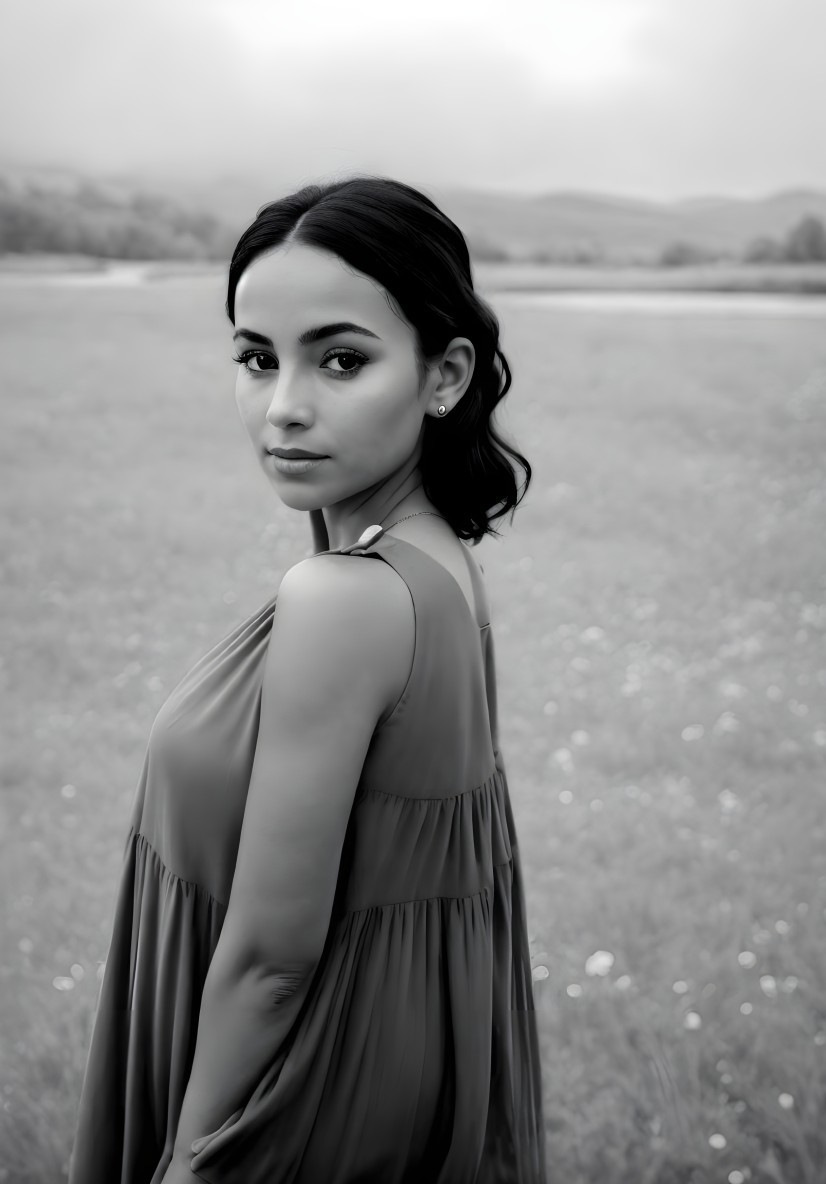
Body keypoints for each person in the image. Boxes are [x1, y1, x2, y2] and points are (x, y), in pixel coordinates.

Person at [68, 175, 547, 1184]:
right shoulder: (440, 561)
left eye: (339, 359)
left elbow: (271, 959)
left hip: (288, 1093)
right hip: (384, 1068)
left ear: (445, 373)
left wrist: (191, 1153)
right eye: (255, 357)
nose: (283, 407)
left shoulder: (345, 598)